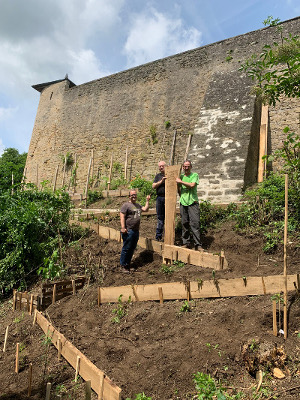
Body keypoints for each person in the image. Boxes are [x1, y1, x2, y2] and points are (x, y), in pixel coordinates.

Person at [120, 189, 150, 272]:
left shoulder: (138, 205)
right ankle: (123, 265)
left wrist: (147, 201)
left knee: (132, 248)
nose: (134, 196)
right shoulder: (126, 205)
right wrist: (123, 227)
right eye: (132, 195)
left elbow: (145, 209)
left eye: (135, 195)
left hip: (136, 230)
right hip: (128, 230)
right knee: (126, 248)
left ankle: (128, 264)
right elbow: (122, 216)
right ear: (129, 196)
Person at [176, 160, 203, 251]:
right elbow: (178, 188)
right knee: (184, 223)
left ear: (191, 167)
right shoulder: (181, 176)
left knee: (195, 223)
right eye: (184, 166)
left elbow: (192, 185)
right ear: (183, 167)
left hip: (193, 202)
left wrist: (181, 182)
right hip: (183, 202)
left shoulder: (194, 175)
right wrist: (181, 195)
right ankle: (186, 243)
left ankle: (198, 245)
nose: (186, 168)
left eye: (188, 166)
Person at [152, 160, 167, 241]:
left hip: (168, 198)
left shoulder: (170, 175)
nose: (161, 167)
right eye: (160, 166)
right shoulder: (158, 176)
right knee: (160, 218)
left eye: (162, 166)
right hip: (160, 198)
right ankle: (158, 236)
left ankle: (168, 236)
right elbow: (153, 186)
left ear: (166, 166)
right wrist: (161, 181)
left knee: (168, 218)